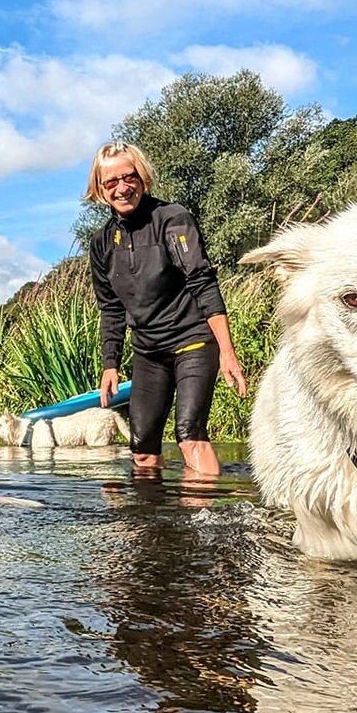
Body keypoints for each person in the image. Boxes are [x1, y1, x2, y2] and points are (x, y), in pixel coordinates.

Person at [87, 141, 247, 475]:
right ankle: (152, 523)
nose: (122, 188)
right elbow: (111, 308)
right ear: (100, 190)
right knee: (142, 449)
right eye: (111, 182)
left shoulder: (171, 218)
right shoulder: (102, 243)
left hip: (193, 340)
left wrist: (227, 352)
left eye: (129, 177)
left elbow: (202, 282)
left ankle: (201, 522)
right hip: (148, 351)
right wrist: (110, 365)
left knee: (189, 433)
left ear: (142, 178)